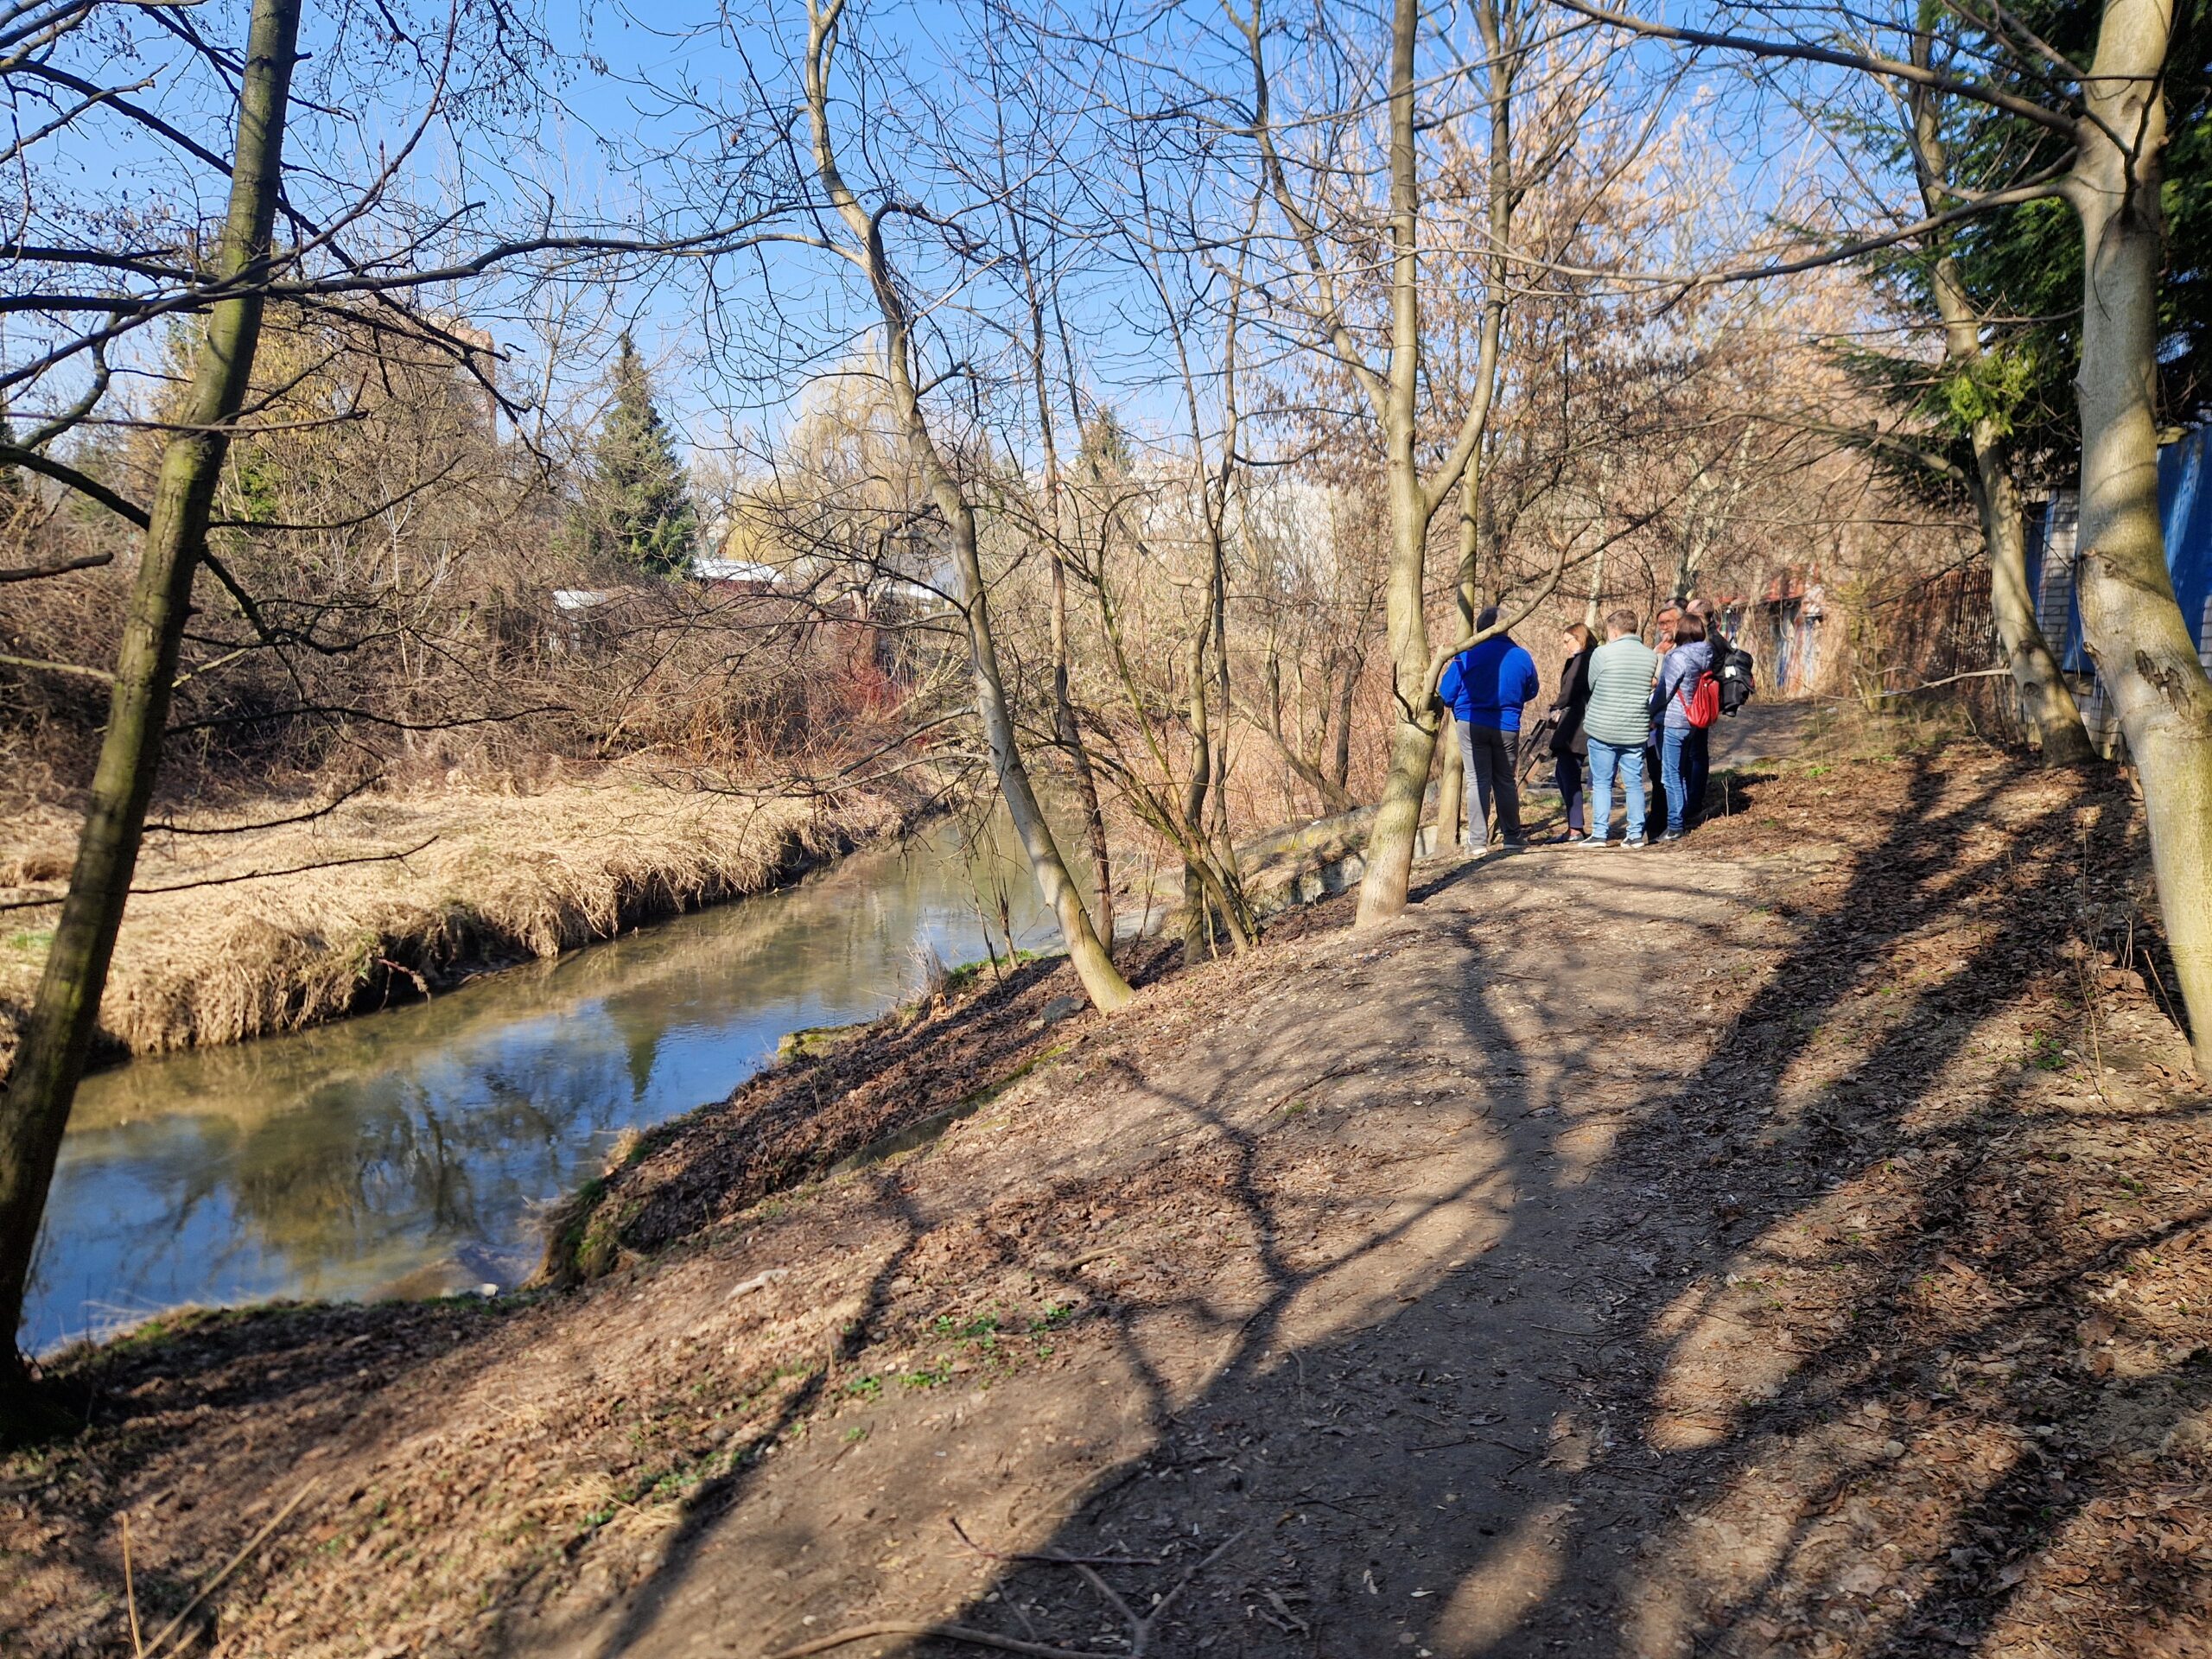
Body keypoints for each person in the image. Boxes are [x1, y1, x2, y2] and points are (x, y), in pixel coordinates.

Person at [1438, 605, 1540, 851]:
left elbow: (1446, 693)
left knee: (1477, 781)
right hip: (1507, 725)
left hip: (1472, 724)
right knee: (1505, 779)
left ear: (1479, 629)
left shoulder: (1466, 655)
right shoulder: (1521, 656)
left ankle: (1477, 842)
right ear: (1507, 627)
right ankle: (1512, 837)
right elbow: (1532, 690)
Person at [1578, 608, 1660, 848]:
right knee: (1634, 781)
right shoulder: (1649, 656)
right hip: (1634, 728)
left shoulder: (1602, 653)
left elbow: (1592, 684)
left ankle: (1600, 834)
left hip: (1603, 726)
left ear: (1613, 630)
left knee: (1602, 782)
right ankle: (1635, 834)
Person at [1654, 610, 1713, 842]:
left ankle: (1675, 826)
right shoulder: (1705, 653)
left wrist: (1650, 711)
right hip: (1692, 720)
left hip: (1674, 719)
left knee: (1670, 774)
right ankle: (1681, 817)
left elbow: (1664, 690)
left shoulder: (1677, 657)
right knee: (1682, 772)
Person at [1546, 622, 1597, 842]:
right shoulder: (1592, 658)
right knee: (1564, 772)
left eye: (1568, 641)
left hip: (1576, 725)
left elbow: (1569, 691)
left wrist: (1555, 706)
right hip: (1582, 722)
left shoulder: (1582, 660)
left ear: (1580, 638)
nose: (1566, 646)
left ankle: (1575, 828)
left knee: (1567, 772)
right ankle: (1575, 826)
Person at [1683, 597, 1724, 821]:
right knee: (1695, 752)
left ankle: (1692, 803)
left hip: (1697, 703)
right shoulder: (1714, 636)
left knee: (1695, 753)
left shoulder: (1707, 640)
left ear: (1698, 613)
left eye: (1688, 610)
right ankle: (1691, 801)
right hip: (1703, 702)